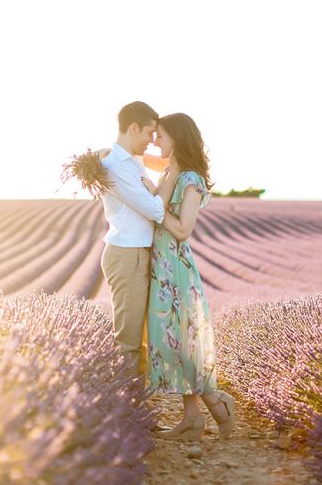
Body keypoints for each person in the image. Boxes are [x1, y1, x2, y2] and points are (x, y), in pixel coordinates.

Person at [144, 113, 236, 441]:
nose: (156, 141)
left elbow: (183, 229)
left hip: (177, 271)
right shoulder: (173, 171)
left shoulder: (191, 179)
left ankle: (217, 404)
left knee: (185, 343)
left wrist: (157, 208)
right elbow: (145, 165)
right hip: (163, 269)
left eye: (161, 136)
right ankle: (192, 417)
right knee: (174, 341)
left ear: (178, 138)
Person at [99, 101, 178, 376]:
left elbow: (164, 163)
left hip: (138, 253)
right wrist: (170, 180)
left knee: (144, 341)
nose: (151, 141)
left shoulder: (130, 161)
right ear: (133, 128)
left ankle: (140, 414)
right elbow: (155, 210)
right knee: (129, 342)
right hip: (127, 255)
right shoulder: (116, 167)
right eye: (149, 133)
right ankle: (129, 414)